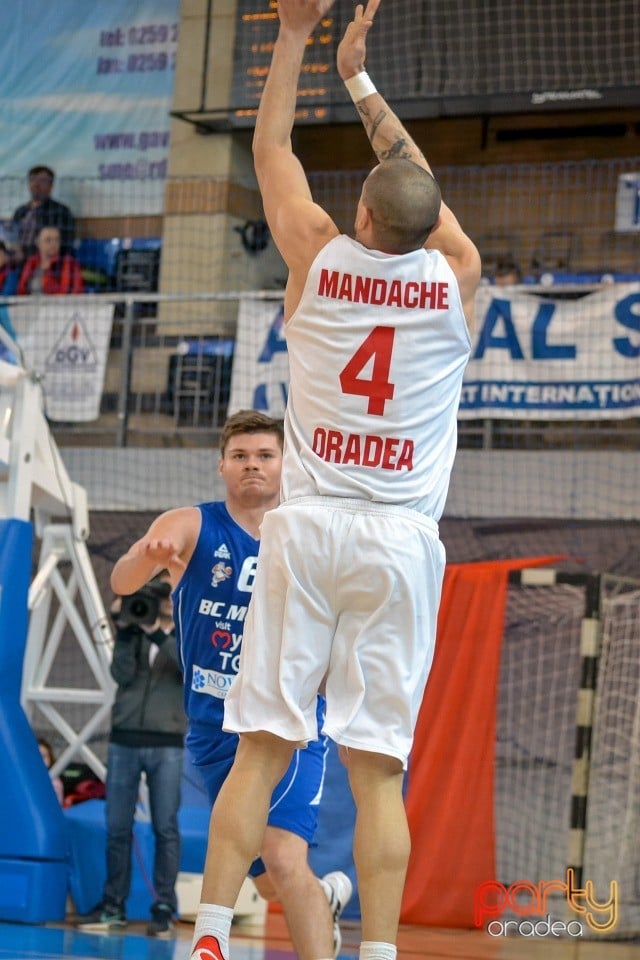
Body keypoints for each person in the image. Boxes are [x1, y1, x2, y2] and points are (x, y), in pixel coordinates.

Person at [186, 2, 482, 960]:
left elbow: (270, 146)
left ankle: (209, 938)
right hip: (400, 543)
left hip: (307, 530)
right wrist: (364, 80)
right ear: (430, 225)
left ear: (358, 217)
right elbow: (418, 195)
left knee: (261, 748)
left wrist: (298, 38)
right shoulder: (455, 277)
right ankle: (384, 953)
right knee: (376, 775)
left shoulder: (315, 256)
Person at [109, 410, 352, 960]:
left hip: (288, 723)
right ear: (221, 465)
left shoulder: (306, 528)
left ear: (284, 465)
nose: (252, 466)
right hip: (214, 727)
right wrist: (145, 558)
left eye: (265, 456)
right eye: (240, 456)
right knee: (268, 875)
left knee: (282, 857)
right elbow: (123, 580)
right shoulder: (192, 524)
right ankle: (325, 901)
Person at [76, 573, 186, 938]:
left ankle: (164, 906)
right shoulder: (135, 629)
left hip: (167, 743)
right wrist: (125, 628)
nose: (167, 599)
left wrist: (155, 630)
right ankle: (112, 905)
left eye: (172, 592)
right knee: (117, 827)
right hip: (124, 740)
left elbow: (186, 668)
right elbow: (120, 674)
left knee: (166, 828)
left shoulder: (190, 634)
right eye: (161, 593)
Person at [11, 165, 75, 261]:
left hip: (44, 261)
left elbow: (64, 244)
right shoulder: (20, 211)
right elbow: (12, 237)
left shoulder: (61, 211)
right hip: (17, 261)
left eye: (42, 180)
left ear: (51, 186)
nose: (36, 184)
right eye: (32, 180)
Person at [17, 225, 84, 295]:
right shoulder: (32, 262)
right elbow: (21, 289)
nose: (53, 244)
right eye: (48, 240)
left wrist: (47, 275)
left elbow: (74, 291)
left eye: (56, 240)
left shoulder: (69, 263)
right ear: (37, 242)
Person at [37, 737, 64, 804]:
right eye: (36, 756)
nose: (39, 760)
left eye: (43, 756)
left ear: (50, 759)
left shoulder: (54, 783)